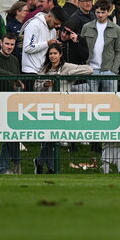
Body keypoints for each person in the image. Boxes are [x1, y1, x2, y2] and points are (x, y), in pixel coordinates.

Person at [34, 44, 94, 173]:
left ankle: (41, 163)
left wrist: (66, 76)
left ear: (60, 54)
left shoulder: (67, 67)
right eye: (50, 54)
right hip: (46, 107)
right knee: (49, 138)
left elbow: (89, 70)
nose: (52, 56)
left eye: (55, 53)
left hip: (61, 108)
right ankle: (49, 166)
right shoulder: (44, 69)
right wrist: (44, 84)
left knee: (53, 138)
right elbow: (36, 87)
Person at [0, 33, 24, 174]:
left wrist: (16, 81)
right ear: (1, 43)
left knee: (13, 134)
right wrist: (14, 77)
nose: (9, 47)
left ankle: (14, 164)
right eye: (7, 44)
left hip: (12, 100)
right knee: (7, 134)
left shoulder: (14, 59)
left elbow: (16, 75)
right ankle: (6, 166)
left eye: (12, 44)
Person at [81, 0, 120, 93]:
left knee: (111, 101)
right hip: (91, 70)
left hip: (109, 70)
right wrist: (85, 66)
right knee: (90, 101)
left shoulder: (116, 28)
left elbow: (119, 51)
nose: (100, 15)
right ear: (94, 12)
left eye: (103, 12)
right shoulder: (86, 27)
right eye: (98, 12)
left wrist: (113, 70)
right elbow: (81, 49)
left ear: (108, 12)